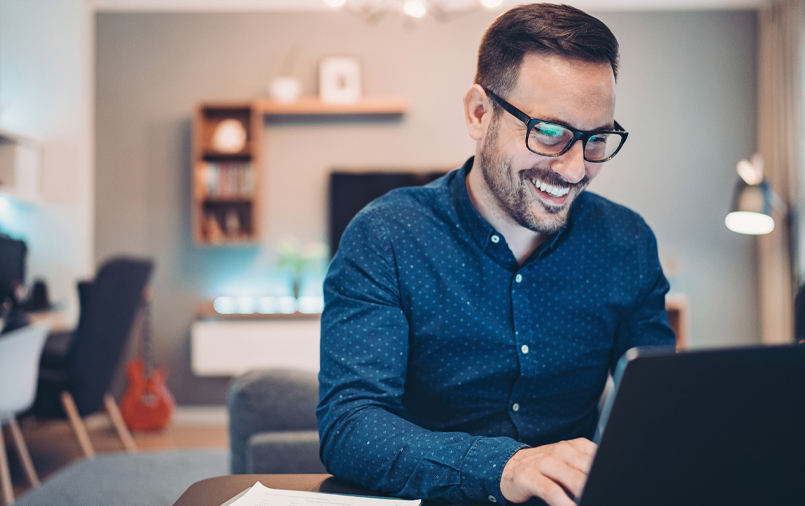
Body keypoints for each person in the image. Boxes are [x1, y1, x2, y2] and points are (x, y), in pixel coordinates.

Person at [317, 4, 675, 506]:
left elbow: (659, 410)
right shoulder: (385, 236)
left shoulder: (628, 242)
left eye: (597, 140)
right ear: (479, 113)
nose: (575, 171)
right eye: (550, 133)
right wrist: (504, 466)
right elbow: (350, 427)